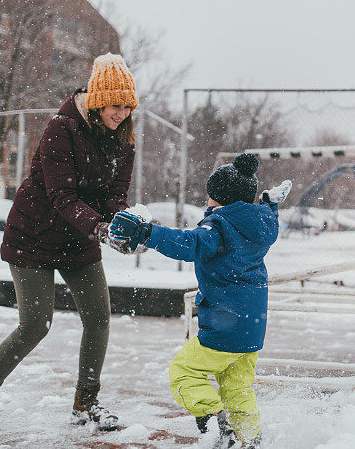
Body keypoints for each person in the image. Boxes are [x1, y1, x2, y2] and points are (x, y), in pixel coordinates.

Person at [0, 53, 139, 440]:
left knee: (99, 317)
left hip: (79, 240)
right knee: (35, 326)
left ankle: (85, 403)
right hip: (33, 237)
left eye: (128, 105)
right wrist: (100, 228)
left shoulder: (124, 140)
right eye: (115, 104)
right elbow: (61, 195)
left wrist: (124, 225)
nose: (121, 112)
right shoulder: (62, 128)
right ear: (96, 99)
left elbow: (115, 196)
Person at [109, 153, 291, 447]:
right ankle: (250, 438)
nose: (207, 203)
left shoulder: (219, 226)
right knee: (238, 387)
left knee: (183, 373)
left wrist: (146, 232)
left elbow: (189, 243)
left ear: (220, 200)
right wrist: (270, 202)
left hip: (224, 324)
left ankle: (218, 429)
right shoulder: (264, 223)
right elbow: (269, 214)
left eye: (210, 198)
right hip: (253, 328)